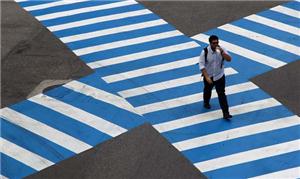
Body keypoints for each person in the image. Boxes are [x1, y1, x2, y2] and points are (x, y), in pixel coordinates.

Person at [199, 35, 232, 120]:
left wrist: (222, 53)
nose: (216, 44)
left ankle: (226, 113)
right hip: (209, 76)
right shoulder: (205, 52)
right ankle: (206, 102)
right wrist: (206, 77)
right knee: (207, 90)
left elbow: (229, 59)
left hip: (219, 76)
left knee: (221, 94)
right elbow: (202, 66)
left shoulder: (222, 49)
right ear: (210, 43)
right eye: (214, 43)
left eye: (217, 42)